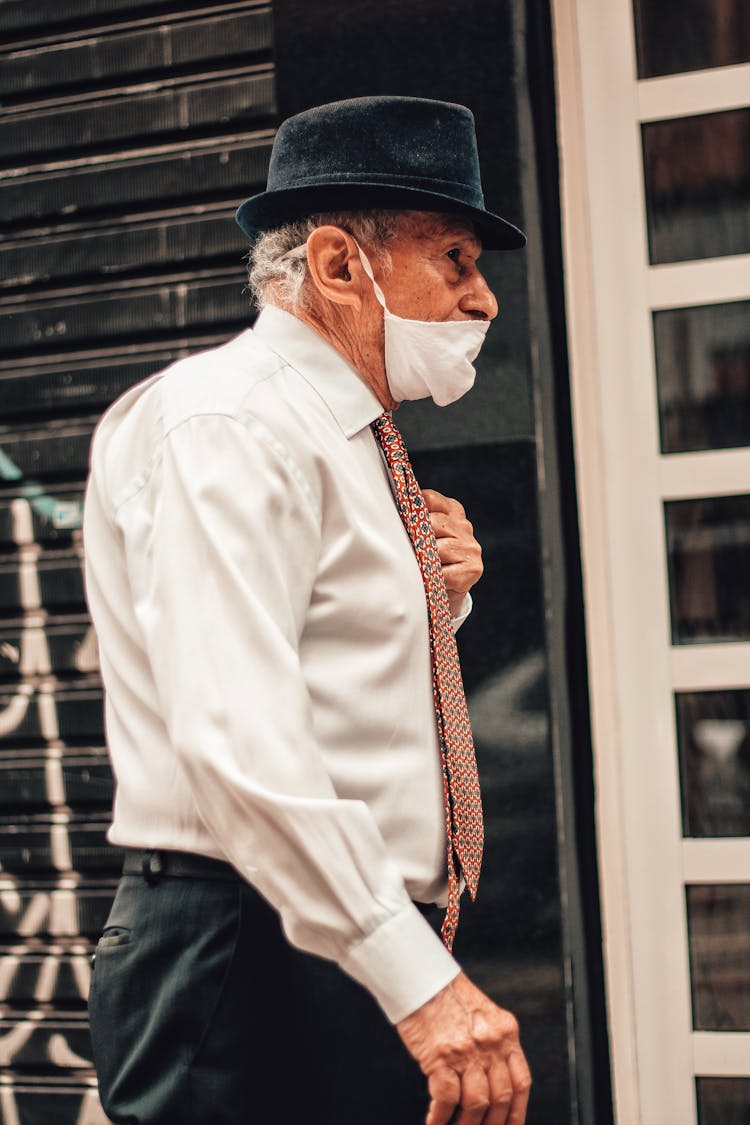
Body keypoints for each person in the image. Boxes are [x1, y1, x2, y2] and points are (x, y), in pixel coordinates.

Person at [83, 95, 532, 1125]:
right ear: (338, 266)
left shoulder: (347, 439)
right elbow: (237, 737)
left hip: (329, 940)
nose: (485, 300)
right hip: (243, 950)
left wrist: (435, 604)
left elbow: (333, 681)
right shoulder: (230, 424)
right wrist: (418, 982)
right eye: (456, 260)